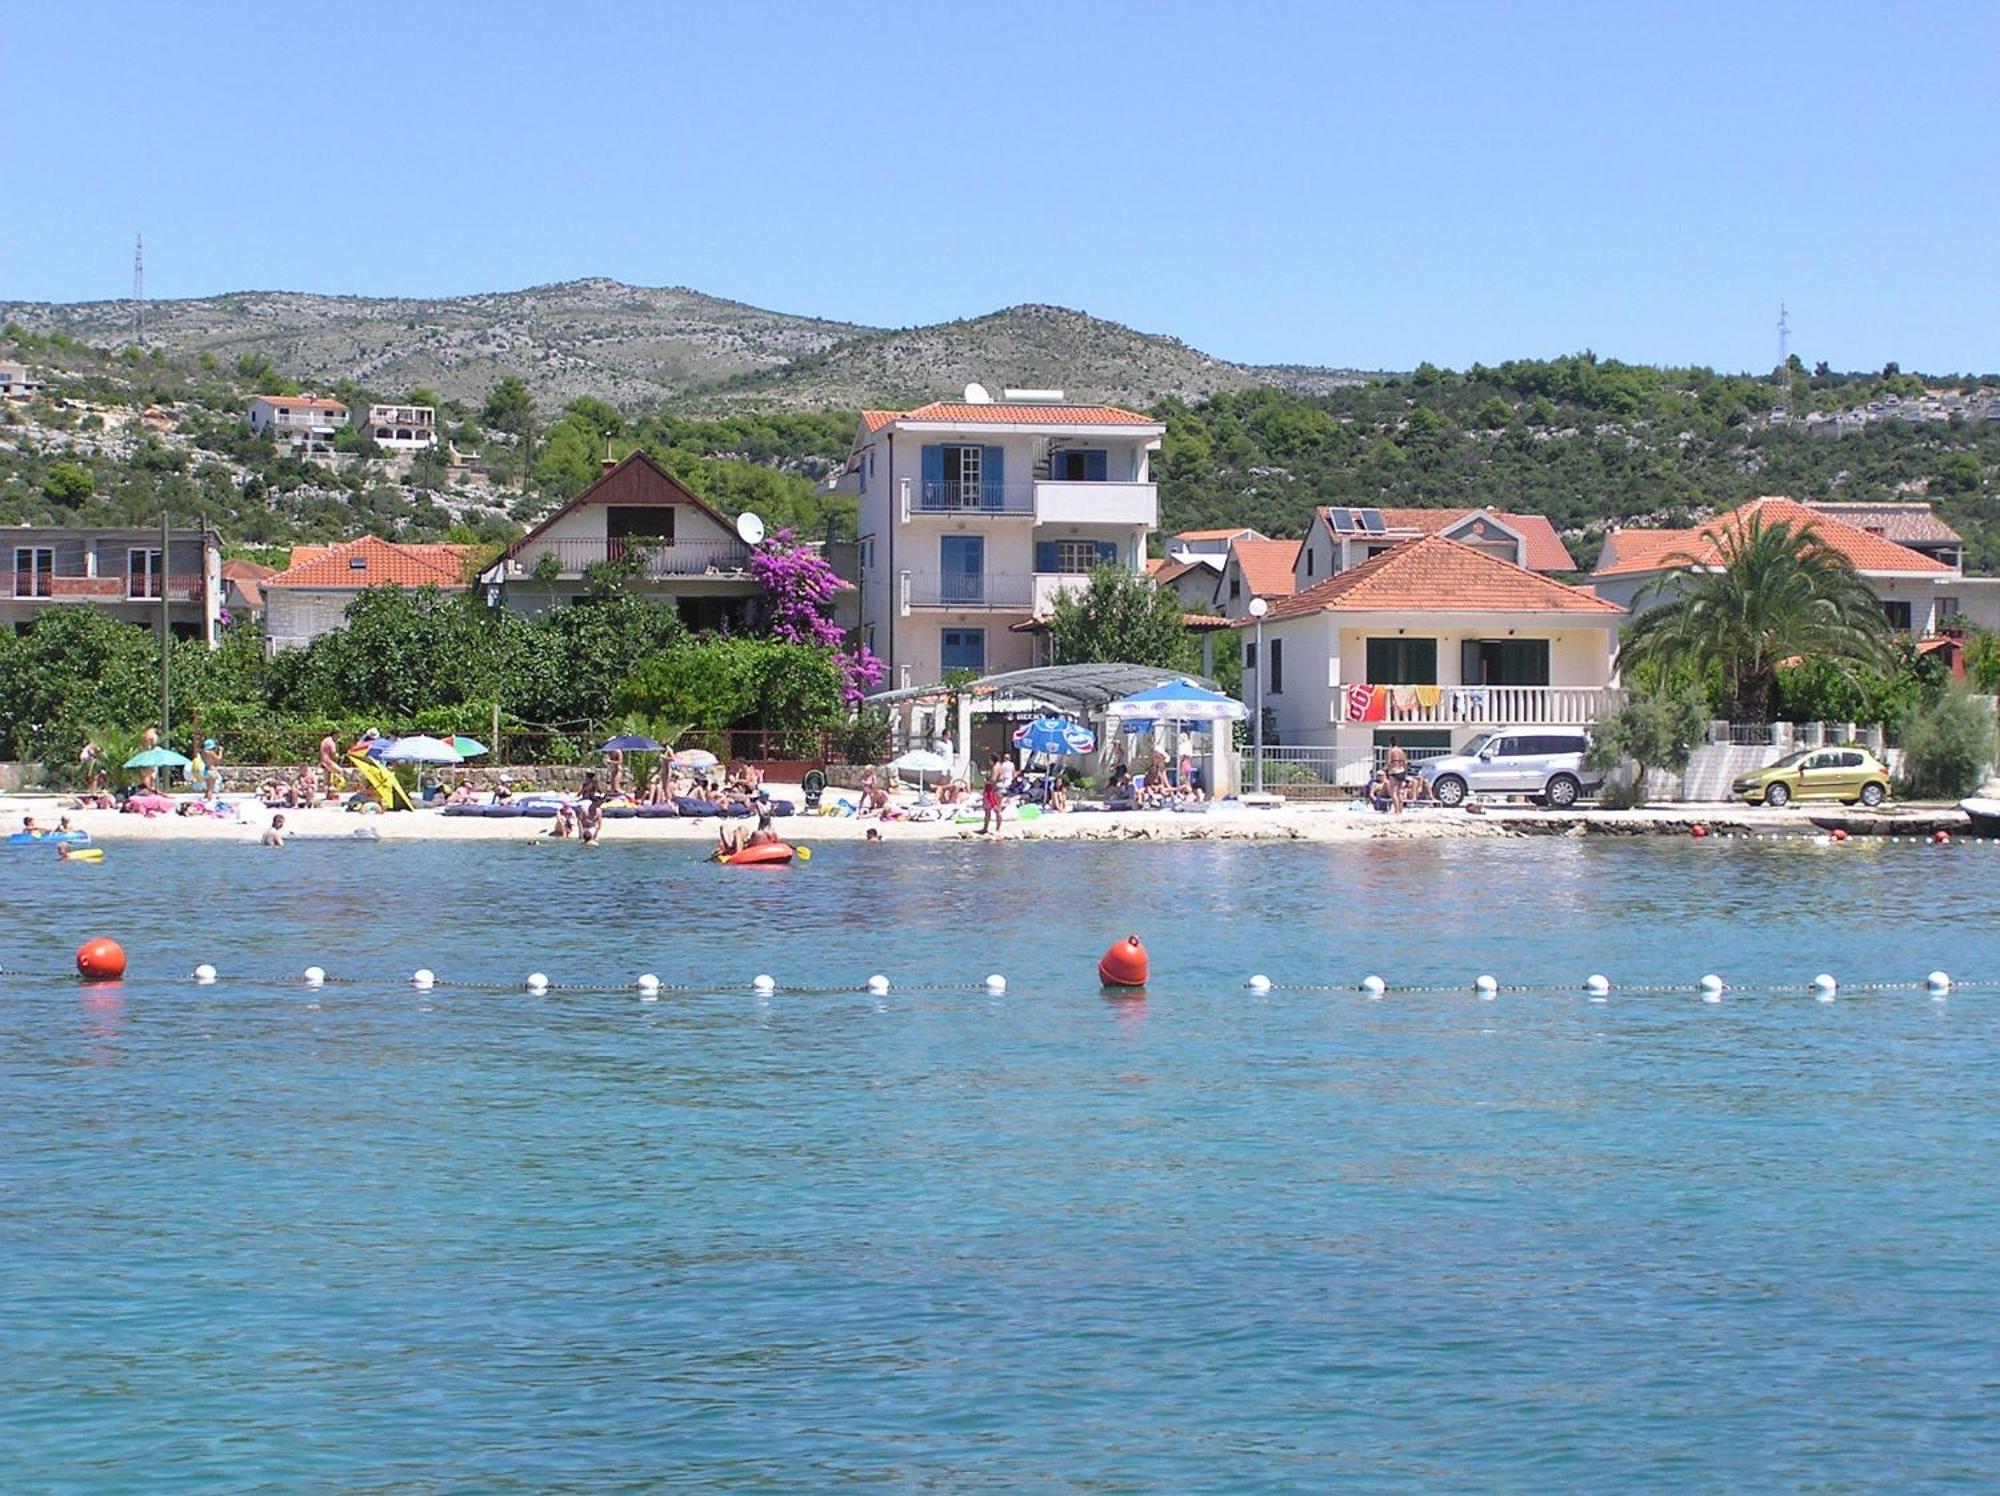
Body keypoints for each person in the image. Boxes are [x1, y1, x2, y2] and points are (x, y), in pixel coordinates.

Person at [1383, 737, 1411, 813]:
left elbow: (1388, 762)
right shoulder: (1401, 750)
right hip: (1401, 771)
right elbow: (1405, 762)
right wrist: (1405, 770)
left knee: (1394, 793)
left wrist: (1385, 769)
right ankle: (1401, 810)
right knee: (1400, 792)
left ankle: (1396, 810)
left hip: (1394, 771)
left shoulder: (1391, 751)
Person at [980, 756, 1004, 835]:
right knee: (996, 809)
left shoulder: (995, 767)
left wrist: (986, 782)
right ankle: (997, 828)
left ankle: (989, 828)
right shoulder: (1000, 766)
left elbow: (993, 780)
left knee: (993, 809)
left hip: (994, 790)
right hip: (1000, 788)